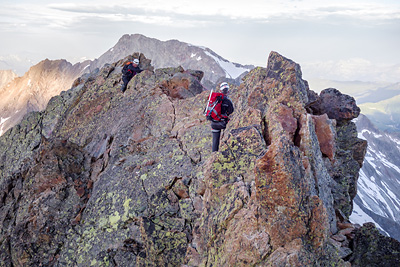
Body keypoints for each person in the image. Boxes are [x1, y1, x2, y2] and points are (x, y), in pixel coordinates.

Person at [211, 82, 234, 152]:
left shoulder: (214, 99)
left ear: (220, 91)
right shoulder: (227, 101)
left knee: (215, 142)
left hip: (213, 123)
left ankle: (214, 156)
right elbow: (231, 111)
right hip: (222, 123)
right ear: (228, 91)